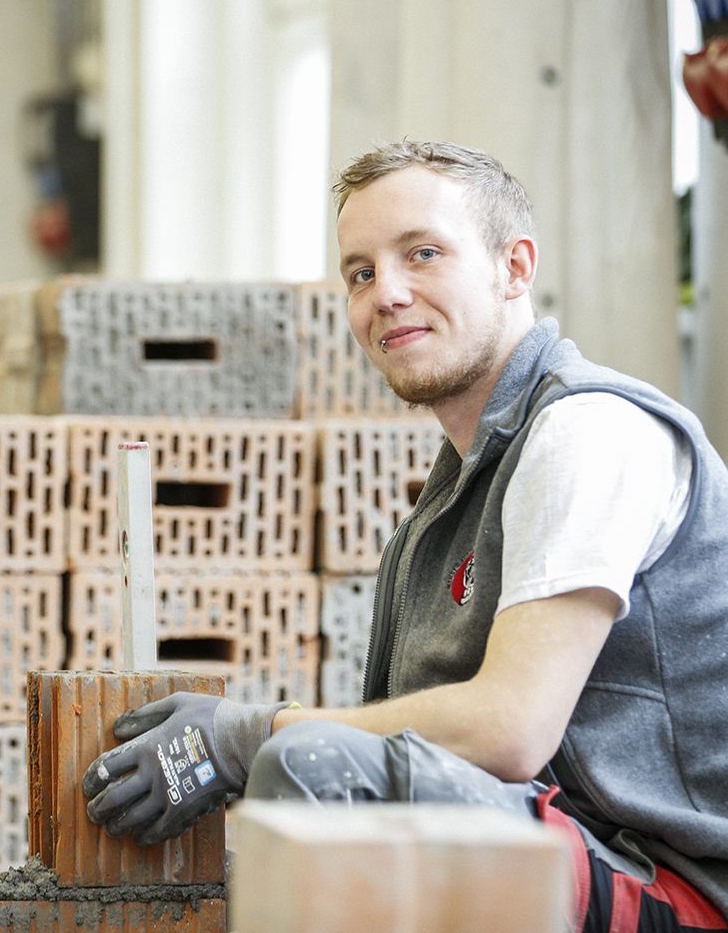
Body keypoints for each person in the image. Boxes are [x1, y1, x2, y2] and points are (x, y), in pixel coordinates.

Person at [82, 140, 728, 932]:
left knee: (312, 766)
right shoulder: (456, 484)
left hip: (671, 888)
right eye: (360, 272)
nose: (386, 292)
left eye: (422, 253)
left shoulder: (586, 431)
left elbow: (509, 729)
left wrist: (247, 733)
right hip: (567, 849)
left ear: (513, 267)